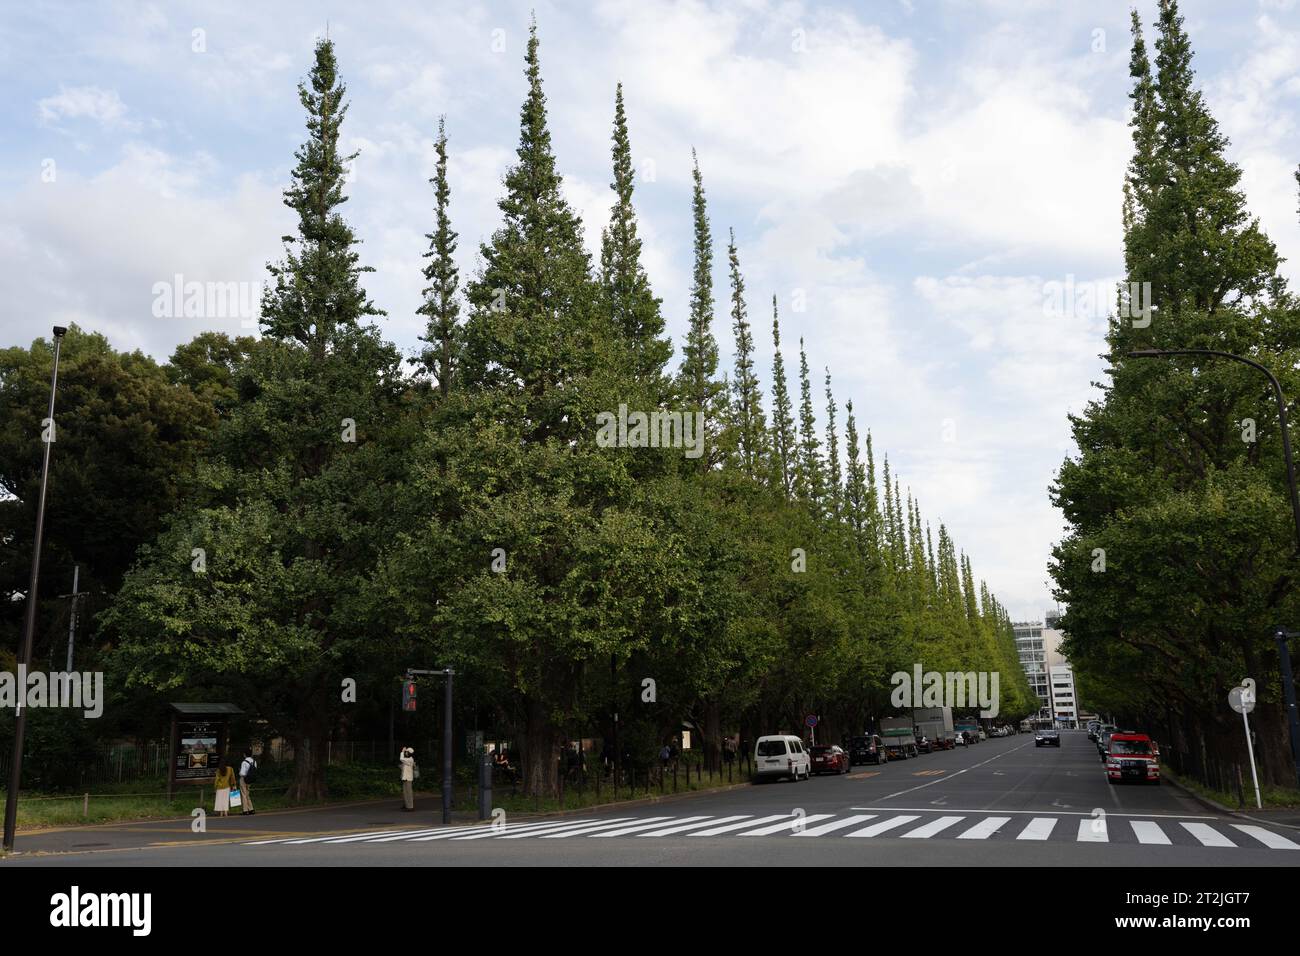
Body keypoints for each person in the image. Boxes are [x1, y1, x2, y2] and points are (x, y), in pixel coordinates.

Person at [238, 748, 257, 815]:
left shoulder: (244, 762)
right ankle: (251, 809)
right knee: (247, 794)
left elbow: (242, 773)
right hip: (251, 779)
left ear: (244, 754)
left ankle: (245, 810)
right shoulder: (254, 761)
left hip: (244, 779)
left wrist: (239, 771)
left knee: (243, 794)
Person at [399, 746, 416, 811]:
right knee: (405, 792)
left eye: (406, 752)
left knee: (409, 792)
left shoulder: (410, 759)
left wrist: (402, 752)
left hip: (408, 778)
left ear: (409, 753)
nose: (406, 753)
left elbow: (401, 759)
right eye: (405, 752)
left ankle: (410, 807)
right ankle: (406, 805)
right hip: (405, 778)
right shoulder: (407, 759)